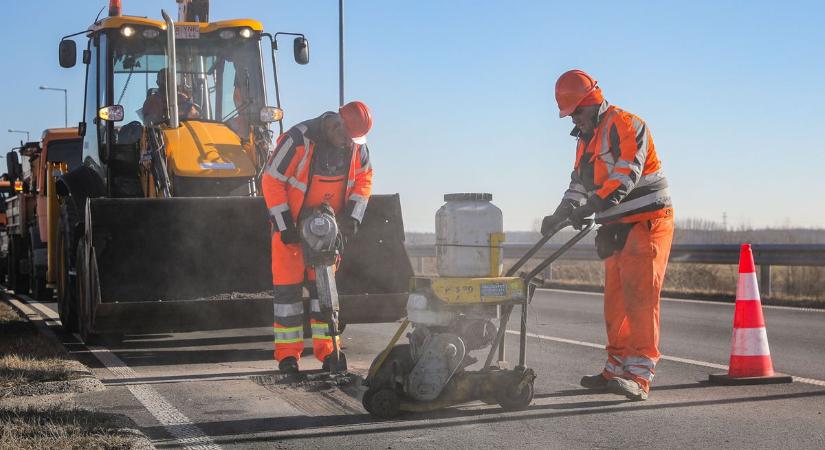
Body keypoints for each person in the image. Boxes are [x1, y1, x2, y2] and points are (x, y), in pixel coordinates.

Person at [542, 69, 674, 400]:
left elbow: (626, 173)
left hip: (646, 222)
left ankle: (640, 375)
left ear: (592, 102)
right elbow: (579, 182)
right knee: (615, 303)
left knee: (640, 298)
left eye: (576, 111)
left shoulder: (627, 125)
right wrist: (560, 213)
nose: (574, 118)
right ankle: (615, 368)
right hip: (615, 227)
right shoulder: (586, 138)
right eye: (569, 113)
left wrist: (593, 206)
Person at [261, 101, 373, 373]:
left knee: (326, 293)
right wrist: (285, 224)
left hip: (327, 231)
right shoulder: (298, 139)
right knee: (287, 295)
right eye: (346, 137)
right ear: (337, 124)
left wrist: (352, 219)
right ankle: (288, 357)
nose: (349, 144)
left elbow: (364, 180)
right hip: (291, 230)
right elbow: (271, 180)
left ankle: (330, 353)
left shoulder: (357, 147)